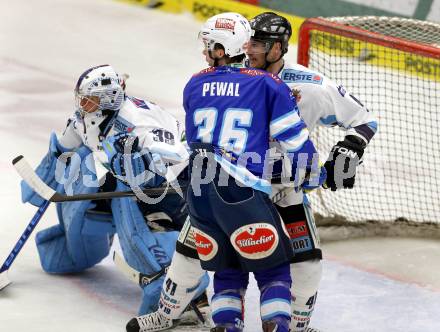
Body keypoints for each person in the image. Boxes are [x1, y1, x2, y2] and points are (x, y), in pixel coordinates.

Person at [20, 64, 194, 316]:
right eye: (82, 99)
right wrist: (41, 183)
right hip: (128, 186)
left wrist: (140, 166)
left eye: (88, 100)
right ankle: (72, 251)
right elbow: (64, 152)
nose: (82, 106)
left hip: (171, 194)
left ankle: (165, 278)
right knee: (84, 167)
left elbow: (175, 159)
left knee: (123, 188)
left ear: (108, 99)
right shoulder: (86, 119)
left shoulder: (137, 120)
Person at [246, 12, 378, 332]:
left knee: (308, 261)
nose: (250, 50)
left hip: (286, 188)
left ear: (278, 48)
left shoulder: (311, 85)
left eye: (260, 44)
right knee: (195, 249)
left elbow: (364, 120)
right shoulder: (231, 78)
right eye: (249, 42)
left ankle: (294, 325)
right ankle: (184, 304)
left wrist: (349, 149)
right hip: (235, 184)